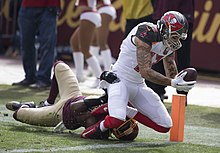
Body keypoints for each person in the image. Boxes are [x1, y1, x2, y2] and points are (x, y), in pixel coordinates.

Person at [80, 11, 196, 139]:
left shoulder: (168, 44)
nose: (176, 40)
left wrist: (181, 82)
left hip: (138, 85)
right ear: (164, 29)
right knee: (116, 119)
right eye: (174, 36)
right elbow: (145, 71)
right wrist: (172, 83)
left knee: (165, 125)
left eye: (179, 37)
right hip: (119, 80)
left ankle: (125, 108)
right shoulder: (146, 32)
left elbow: (171, 71)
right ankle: (98, 127)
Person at [6, 61, 139, 141]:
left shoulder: (99, 127)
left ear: (117, 132)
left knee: (19, 114)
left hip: (59, 114)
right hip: (73, 95)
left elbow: (76, 107)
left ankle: (28, 107)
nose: (123, 120)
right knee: (59, 65)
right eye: (128, 121)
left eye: (124, 125)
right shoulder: (118, 109)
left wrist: (102, 100)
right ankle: (48, 102)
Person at [145, 0, 195, 104]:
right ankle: (157, 91)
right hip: (166, 13)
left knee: (182, 56)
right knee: (159, 51)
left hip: (180, 14)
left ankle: (181, 92)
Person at [12, 0, 60, 89]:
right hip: (28, 6)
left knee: (47, 44)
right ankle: (30, 77)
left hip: (48, 7)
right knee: (26, 43)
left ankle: (43, 78)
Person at [70, 0, 102, 88]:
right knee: (74, 42)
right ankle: (79, 76)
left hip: (89, 14)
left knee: (85, 49)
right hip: (88, 14)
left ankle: (100, 78)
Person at [89, 0, 116, 71]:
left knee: (102, 43)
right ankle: (92, 69)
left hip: (105, 9)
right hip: (96, 11)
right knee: (94, 41)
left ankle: (108, 70)